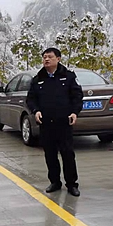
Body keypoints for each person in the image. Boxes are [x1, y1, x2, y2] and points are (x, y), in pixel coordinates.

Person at [26, 48, 83, 197]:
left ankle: (72, 184)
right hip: (46, 124)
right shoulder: (38, 79)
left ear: (58, 59)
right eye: (44, 57)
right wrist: (35, 110)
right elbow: (31, 99)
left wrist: (74, 112)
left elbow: (77, 96)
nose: (46, 59)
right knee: (50, 154)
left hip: (64, 123)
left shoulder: (68, 77)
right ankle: (55, 182)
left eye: (50, 57)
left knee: (67, 154)